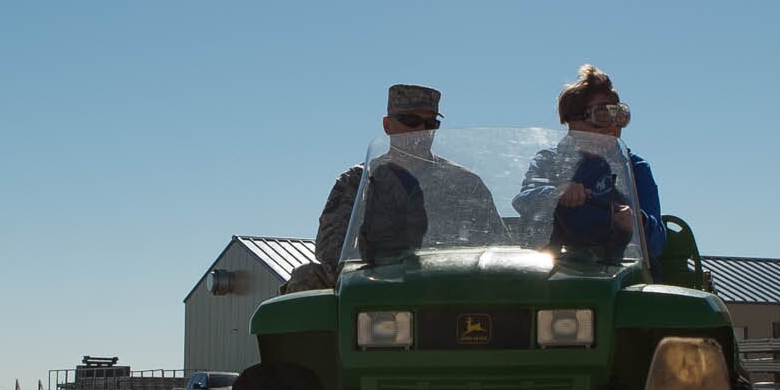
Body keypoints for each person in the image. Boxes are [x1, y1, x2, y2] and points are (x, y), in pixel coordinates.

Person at [283, 84, 502, 290]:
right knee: (306, 279)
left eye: (431, 123)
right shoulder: (357, 181)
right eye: (411, 121)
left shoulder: (464, 182)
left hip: (447, 280)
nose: (422, 130)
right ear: (387, 126)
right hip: (376, 281)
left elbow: (499, 245)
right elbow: (330, 248)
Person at [514, 66, 665, 270]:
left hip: (618, 269)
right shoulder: (549, 161)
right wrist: (557, 193)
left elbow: (657, 243)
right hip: (555, 267)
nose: (612, 126)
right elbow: (524, 200)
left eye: (619, 115)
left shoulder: (635, 168)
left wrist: (637, 222)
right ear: (573, 121)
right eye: (602, 115)